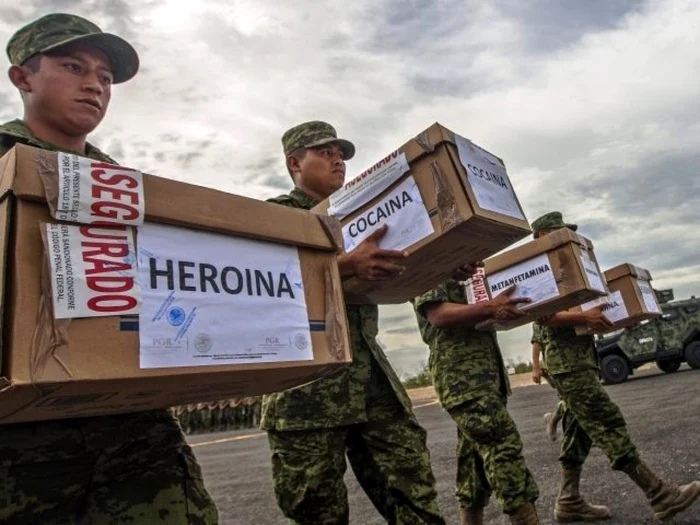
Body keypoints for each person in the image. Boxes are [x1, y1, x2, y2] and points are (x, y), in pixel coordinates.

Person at [0, 13, 218, 524]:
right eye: (74, 66)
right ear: (23, 77)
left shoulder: (128, 188)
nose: (94, 84)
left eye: (104, 77)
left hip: (132, 428)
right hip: (17, 436)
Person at [261, 121, 446, 525]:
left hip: (370, 380)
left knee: (416, 495)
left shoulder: (362, 219)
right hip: (304, 386)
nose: (337, 159)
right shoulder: (276, 214)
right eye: (324, 151)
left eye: (340, 152)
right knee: (317, 510)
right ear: (294, 162)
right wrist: (343, 265)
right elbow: (262, 283)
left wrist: (445, 264)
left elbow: (405, 267)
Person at [531, 211, 700, 523]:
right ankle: (660, 495)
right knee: (607, 422)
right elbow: (541, 317)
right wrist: (584, 318)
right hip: (568, 365)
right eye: (561, 232)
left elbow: (576, 317)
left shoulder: (567, 270)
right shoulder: (542, 269)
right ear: (544, 235)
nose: (569, 238)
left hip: (580, 361)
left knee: (578, 432)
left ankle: (569, 500)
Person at [413, 279, 541, 525]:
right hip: (462, 378)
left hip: (485, 377)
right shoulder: (432, 262)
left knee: (473, 464)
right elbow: (438, 315)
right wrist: (491, 308)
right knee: (503, 449)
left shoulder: (466, 271)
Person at [532, 342, 565, 442]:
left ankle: (552, 419)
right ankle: (552, 420)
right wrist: (536, 368)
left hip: (576, 361)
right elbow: (536, 342)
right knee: (569, 400)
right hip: (559, 364)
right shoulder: (539, 326)